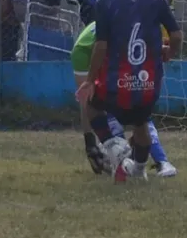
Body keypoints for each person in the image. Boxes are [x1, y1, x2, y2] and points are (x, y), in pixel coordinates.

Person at [76, 0, 183, 183]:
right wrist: (169, 52)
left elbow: (101, 46)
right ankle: (138, 168)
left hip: (114, 83)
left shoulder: (105, 4)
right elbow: (176, 35)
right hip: (147, 82)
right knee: (141, 123)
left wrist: (90, 80)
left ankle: (115, 146)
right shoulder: (157, 1)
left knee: (93, 108)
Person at [72, 21, 178, 177]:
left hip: (125, 57)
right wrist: (90, 144)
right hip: (100, 54)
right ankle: (122, 158)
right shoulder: (83, 51)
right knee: (103, 103)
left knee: (137, 109)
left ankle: (154, 161)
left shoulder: (131, 31)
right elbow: (86, 100)